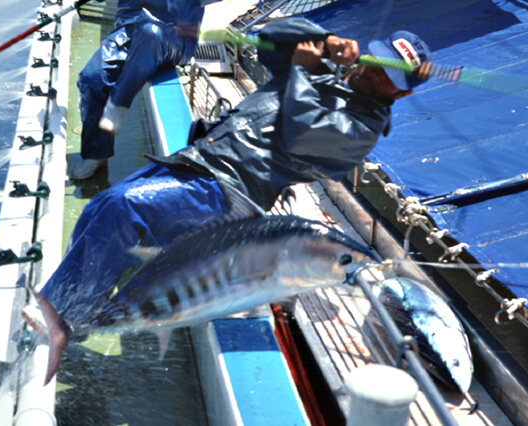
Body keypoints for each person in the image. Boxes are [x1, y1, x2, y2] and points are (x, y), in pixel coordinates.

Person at [41, 17, 432, 325]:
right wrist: (323, 39)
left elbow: (300, 132)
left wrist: (299, 72)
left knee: (121, 209)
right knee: (101, 209)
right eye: (380, 63)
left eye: (390, 79)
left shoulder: (360, 133)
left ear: (402, 93)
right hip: (198, 161)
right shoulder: (326, 71)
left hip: (229, 192)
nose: (376, 75)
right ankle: (73, 307)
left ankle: (56, 321)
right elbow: (270, 39)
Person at [71, 0, 208, 179]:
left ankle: (117, 106)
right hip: (130, 26)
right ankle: (96, 154)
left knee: (150, 33)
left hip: (176, 34)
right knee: (92, 78)